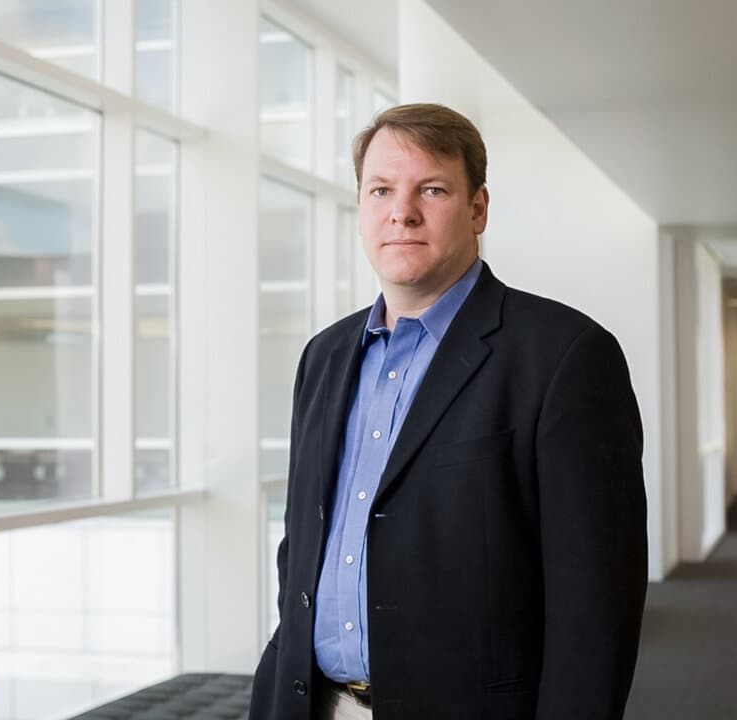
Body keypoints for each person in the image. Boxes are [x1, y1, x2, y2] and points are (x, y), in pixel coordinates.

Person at [249, 103, 647, 720]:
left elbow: (596, 605)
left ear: (477, 209)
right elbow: (299, 547)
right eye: (381, 190)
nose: (401, 212)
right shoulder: (323, 356)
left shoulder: (564, 356)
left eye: (431, 189)